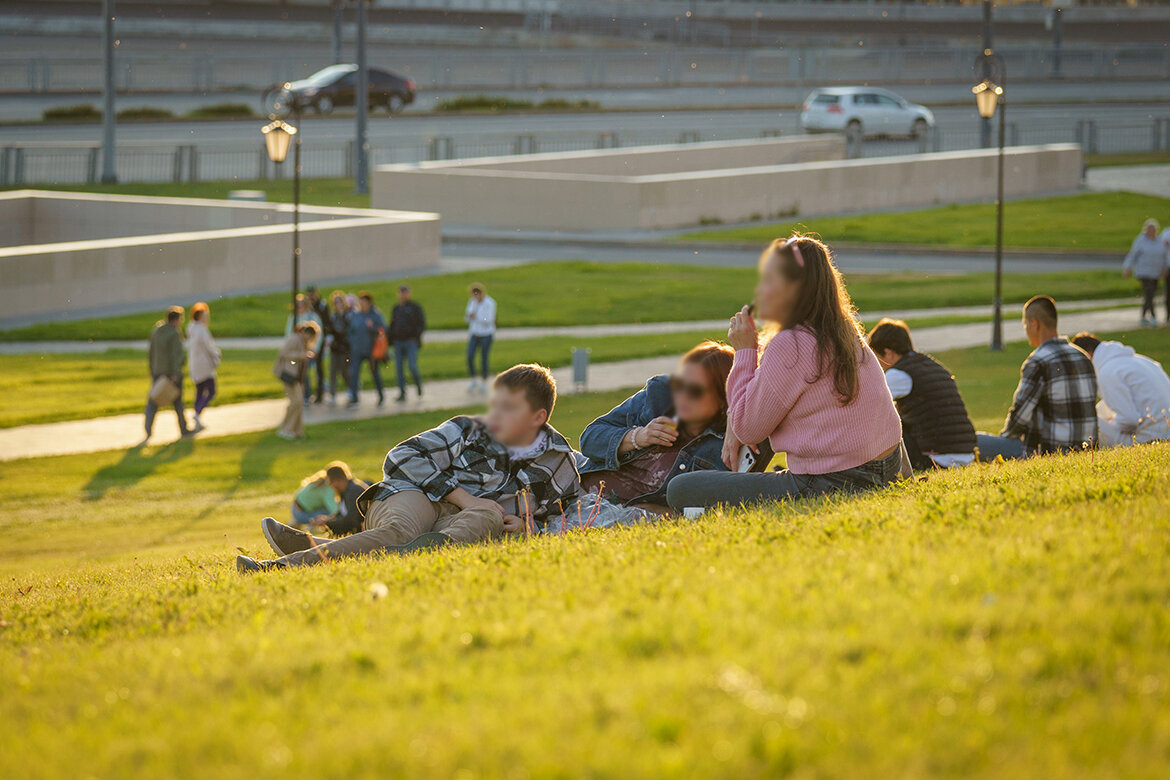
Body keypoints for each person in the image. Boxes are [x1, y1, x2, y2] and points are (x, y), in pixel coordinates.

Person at [239, 364, 581, 572]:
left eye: (508, 408)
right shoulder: (469, 429)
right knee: (400, 531)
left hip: (461, 524)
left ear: (538, 417)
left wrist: (527, 525)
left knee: (488, 517)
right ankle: (276, 569)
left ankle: (323, 546)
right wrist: (465, 498)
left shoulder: (561, 464)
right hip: (415, 496)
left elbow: (568, 517)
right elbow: (401, 457)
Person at [665, 235, 904, 511]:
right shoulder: (843, 329)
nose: (761, 291)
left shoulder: (789, 344)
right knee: (761, 416)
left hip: (832, 482)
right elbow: (762, 404)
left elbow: (748, 428)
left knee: (681, 489)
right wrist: (736, 420)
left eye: (770, 281)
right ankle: (736, 482)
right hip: (886, 466)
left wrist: (744, 351)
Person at [579, 341, 767, 512]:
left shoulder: (724, 447)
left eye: (695, 390)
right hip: (579, 492)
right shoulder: (658, 396)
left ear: (722, 400)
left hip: (613, 513)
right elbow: (589, 439)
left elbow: (728, 505)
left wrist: (668, 514)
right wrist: (637, 437)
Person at [976, 296, 1098, 460]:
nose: (1026, 330)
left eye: (1025, 324)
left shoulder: (1038, 361)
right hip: (1086, 450)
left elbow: (1019, 419)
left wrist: (1005, 438)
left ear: (1035, 324)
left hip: (1047, 451)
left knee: (972, 441)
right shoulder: (1083, 357)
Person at [867, 318, 977, 470]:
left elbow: (866, 406)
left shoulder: (899, 374)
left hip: (935, 457)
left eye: (875, 358)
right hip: (965, 454)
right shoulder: (934, 366)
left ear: (888, 353)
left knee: (883, 420)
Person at [1070, 332, 1170, 447]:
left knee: (1084, 418)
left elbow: (1129, 421)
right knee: (1101, 408)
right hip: (1165, 431)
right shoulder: (1141, 360)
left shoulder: (1108, 372)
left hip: (1148, 439)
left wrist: (1111, 422)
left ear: (1087, 355)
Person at [143, 305, 191, 443]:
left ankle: (148, 428)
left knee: (153, 401)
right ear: (176, 319)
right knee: (178, 403)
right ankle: (183, 428)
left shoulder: (157, 331)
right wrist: (176, 373)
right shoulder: (174, 333)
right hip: (171, 374)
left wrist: (151, 369)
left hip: (157, 372)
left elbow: (151, 352)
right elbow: (177, 356)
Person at [285, 461, 369, 536]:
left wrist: (327, 523)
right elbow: (341, 514)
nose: (331, 486)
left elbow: (350, 522)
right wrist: (328, 519)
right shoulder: (346, 490)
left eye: (331, 482)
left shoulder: (354, 491)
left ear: (337, 480)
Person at [273, 320, 320, 440]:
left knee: (298, 403)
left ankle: (297, 430)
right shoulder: (295, 339)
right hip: (288, 373)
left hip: (294, 376)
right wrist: (301, 355)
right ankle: (286, 429)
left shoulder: (301, 341)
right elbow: (284, 353)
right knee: (296, 402)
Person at [1122, 219, 1168, 326]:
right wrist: (1127, 268)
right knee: (1149, 293)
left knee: (1150, 295)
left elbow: (1164, 256)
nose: (1151, 232)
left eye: (1153, 230)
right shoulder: (1140, 241)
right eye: (1149, 230)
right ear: (1145, 230)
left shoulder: (1160, 241)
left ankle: (1143, 316)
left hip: (1155, 272)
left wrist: (1165, 268)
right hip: (1143, 272)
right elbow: (1133, 255)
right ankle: (1153, 316)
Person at [346, 291, 387, 408]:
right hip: (358, 349)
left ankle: (381, 396)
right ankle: (354, 398)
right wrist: (352, 343)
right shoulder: (356, 315)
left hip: (371, 350)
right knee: (354, 373)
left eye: (365, 302)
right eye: (361, 302)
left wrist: (372, 327)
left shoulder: (376, 315)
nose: (363, 305)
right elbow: (350, 331)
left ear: (370, 303)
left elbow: (383, 330)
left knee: (375, 373)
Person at [186, 301, 221, 433]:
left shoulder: (191, 329)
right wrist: (218, 354)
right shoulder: (201, 330)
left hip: (195, 366)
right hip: (204, 366)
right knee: (211, 391)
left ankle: (197, 418)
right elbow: (209, 347)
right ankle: (198, 412)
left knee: (199, 392)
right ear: (200, 316)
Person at [390, 283, 426, 402]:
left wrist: (415, 336)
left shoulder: (415, 307)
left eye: (405, 292)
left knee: (412, 366)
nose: (403, 295)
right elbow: (392, 325)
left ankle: (418, 386)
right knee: (399, 369)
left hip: (411, 341)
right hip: (398, 342)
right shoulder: (396, 308)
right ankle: (402, 392)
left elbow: (421, 323)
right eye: (401, 292)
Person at [286, 294, 323, 403]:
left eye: (302, 304)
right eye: (298, 304)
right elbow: (288, 333)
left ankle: (310, 395)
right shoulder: (293, 318)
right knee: (300, 372)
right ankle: (302, 395)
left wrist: (315, 348)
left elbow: (318, 334)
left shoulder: (312, 317)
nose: (300, 306)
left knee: (310, 372)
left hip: (309, 350)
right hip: (298, 350)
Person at [465, 282, 497, 393]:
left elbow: (488, 320)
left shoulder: (490, 303)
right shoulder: (472, 302)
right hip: (475, 333)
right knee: (470, 356)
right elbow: (467, 317)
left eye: (477, 294)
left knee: (484, 357)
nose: (476, 297)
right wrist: (472, 317)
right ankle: (473, 379)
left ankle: (484, 380)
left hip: (486, 334)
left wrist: (476, 316)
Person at [305, 285, 331, 403]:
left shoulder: (322, 306)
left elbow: (326, 323)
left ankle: (320, 393)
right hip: (308, 342)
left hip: (320, 341)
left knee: (319, 368)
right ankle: (307, 393)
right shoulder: (308, 307)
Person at [326, 291, 352, 406]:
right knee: (333, 371)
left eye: (340, 301)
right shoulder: (333, 317)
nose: (338, 304)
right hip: (335, 348)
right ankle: (332, 394)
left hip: (345, 348)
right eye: (336, 302)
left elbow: (348, 331)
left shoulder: (348, 315)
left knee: (345, 370)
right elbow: (330, 331)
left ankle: (350, 389)